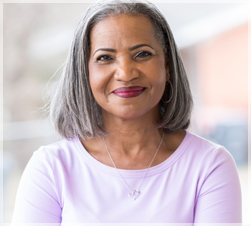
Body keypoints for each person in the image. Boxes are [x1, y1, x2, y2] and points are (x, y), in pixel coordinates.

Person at [12, 0, 242, 223]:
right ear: (85, 73)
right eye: (105, 58)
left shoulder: (210, 165)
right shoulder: (51, 168)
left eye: (142, 54)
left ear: (168, 65)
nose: (125, 73)